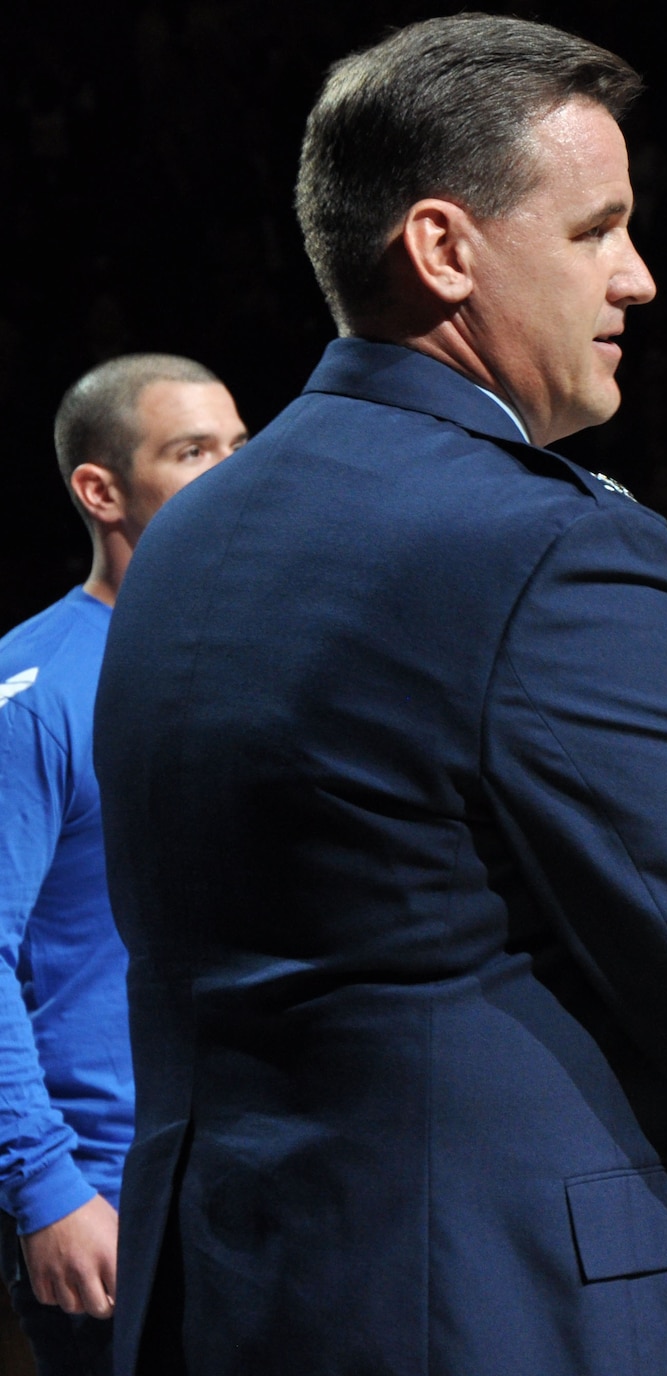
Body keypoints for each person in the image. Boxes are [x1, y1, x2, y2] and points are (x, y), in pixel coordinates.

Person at [91, 17, 667, 1376]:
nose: (638, 279)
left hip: (225, 1293)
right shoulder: (560, 543)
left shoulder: (194, 536)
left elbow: (386, 879)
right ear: (445, 248)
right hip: (497, 1309)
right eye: (596, 232)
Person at [0, 355, 245, 1376]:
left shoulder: (267, 654)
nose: (233, 474)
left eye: (240, 446)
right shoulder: (37, 688)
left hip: (272, 1179)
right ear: (100, 489)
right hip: (114, 1191)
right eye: (193, 452)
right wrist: (46, 1183)